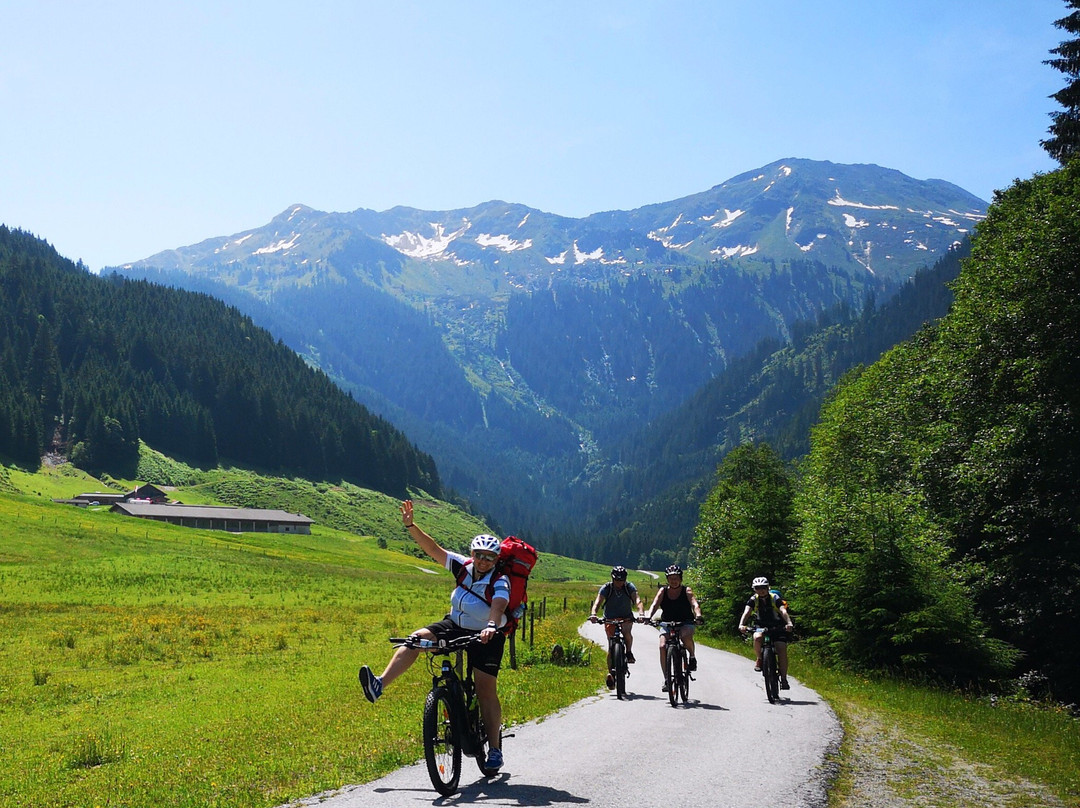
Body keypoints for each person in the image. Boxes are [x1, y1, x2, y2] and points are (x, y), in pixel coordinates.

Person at [358, 499, 510, 772]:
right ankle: (379, 684)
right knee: (415, 639)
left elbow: (499, 605)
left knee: (485, 689)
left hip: (488, 634)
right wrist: (410, 526)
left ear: (496, 559)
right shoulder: (462, 566)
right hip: (455, 624)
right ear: (472, 554)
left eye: (489, 557)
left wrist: (490, 625)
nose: (483, 561)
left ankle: (495, 749)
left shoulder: (500, 579)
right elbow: (432, 549)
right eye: (479, 555)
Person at [645, 564, 704, 692]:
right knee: (662, 646)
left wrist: (698, 615)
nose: (674, 580)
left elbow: (695, 604)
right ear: (667, 579)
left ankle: (692, 656)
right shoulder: (663, 591)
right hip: (667, 623)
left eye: (676, 578)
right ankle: (667, 679)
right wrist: (648, 616)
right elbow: (655, 604)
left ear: (681, 578)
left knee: (685, 635)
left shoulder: (686, 591)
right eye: (671, 578)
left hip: (685, 622)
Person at [589, 565, 645, 688]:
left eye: (622, 580)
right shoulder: (606, 588)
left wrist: (641, 614)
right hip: (610, 618)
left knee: (627, 634)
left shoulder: (629, 587)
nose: (619, 583)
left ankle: (629, 652)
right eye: (617, 580)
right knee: (611, 645)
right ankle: (611, 674)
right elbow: (598, 602)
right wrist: (593, 614)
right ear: (612, 578)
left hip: (626, 617)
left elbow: (637, 600)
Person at [738, 576, 794, 690]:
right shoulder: (754, 599)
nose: (761, 590)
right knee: (757, 638)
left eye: (763, 587)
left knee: (781, 647)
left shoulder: (775, 598)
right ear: (754, 589)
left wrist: (788, 623)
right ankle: (759, 659)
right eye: (758, 588)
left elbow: (783, 610)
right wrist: (741, 624)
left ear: (768, 587)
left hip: (777, 626)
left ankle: (783, 679)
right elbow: (747, 612)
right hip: (761, 626)